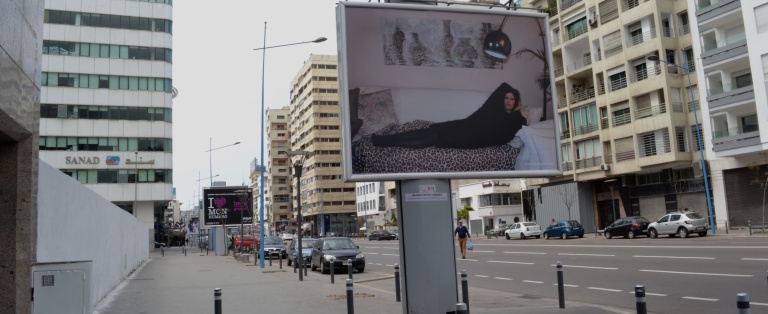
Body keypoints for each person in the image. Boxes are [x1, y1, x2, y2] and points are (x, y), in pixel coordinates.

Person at [371, 82, 527, 149]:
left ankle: (387, 143)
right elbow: (501, 89)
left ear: (516, 103)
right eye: (506, 98)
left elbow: (504, 137)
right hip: (466, 126)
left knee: (433, 138)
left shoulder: (518, 120)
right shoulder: (494, 109)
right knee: (430, 130)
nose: (508, 101)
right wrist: (511, 96)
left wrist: (517, 112)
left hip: (475, 139)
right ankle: (386, 140)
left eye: (512, 99)